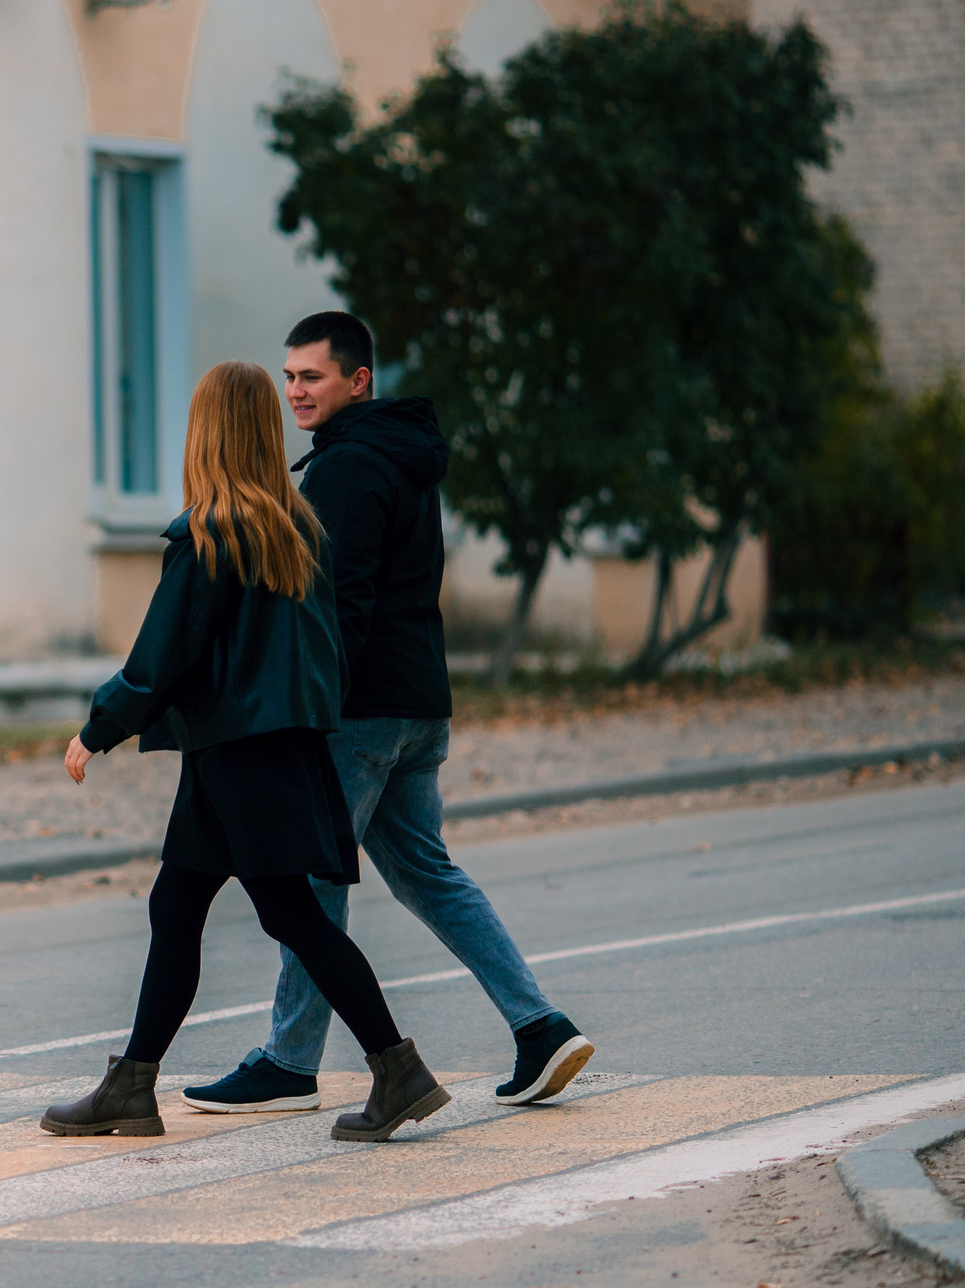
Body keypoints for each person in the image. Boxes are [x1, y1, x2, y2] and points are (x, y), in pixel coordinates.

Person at [180, 311, 595, 1117]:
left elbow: (341, 605)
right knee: (427, 872)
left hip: (359, 713)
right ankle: (540, 1027)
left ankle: (290, 1061)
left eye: (313, 376)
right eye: (291, 375)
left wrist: (309, 708)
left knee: (310, 877)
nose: (295, 390)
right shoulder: (401, 457)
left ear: (358, 381)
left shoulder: (345, 469)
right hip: (418, 704)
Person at [42, 361, 453, 1146]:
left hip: (238, 756)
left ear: (208, 433)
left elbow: (161, 658)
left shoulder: (210, 534)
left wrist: (98, 727)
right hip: (267, 750)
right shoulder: (297, 529)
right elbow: (323, 649)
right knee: (184, 905)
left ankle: (398, 1070)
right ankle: (132, 1084)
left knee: (291, 915)